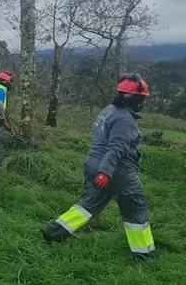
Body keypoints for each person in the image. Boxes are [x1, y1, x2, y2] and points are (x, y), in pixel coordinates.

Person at [42, 73, 156, 261]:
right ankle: (144, 254)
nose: (144, 101)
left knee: (89, 205)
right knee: (136, 207)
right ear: (135, 99)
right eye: (142, 98)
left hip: (94, 164)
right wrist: (105, 173)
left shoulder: (108, 110)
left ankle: (54, 232)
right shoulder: (124, 119)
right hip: (117, 171)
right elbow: (116, 148)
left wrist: (101, 172)